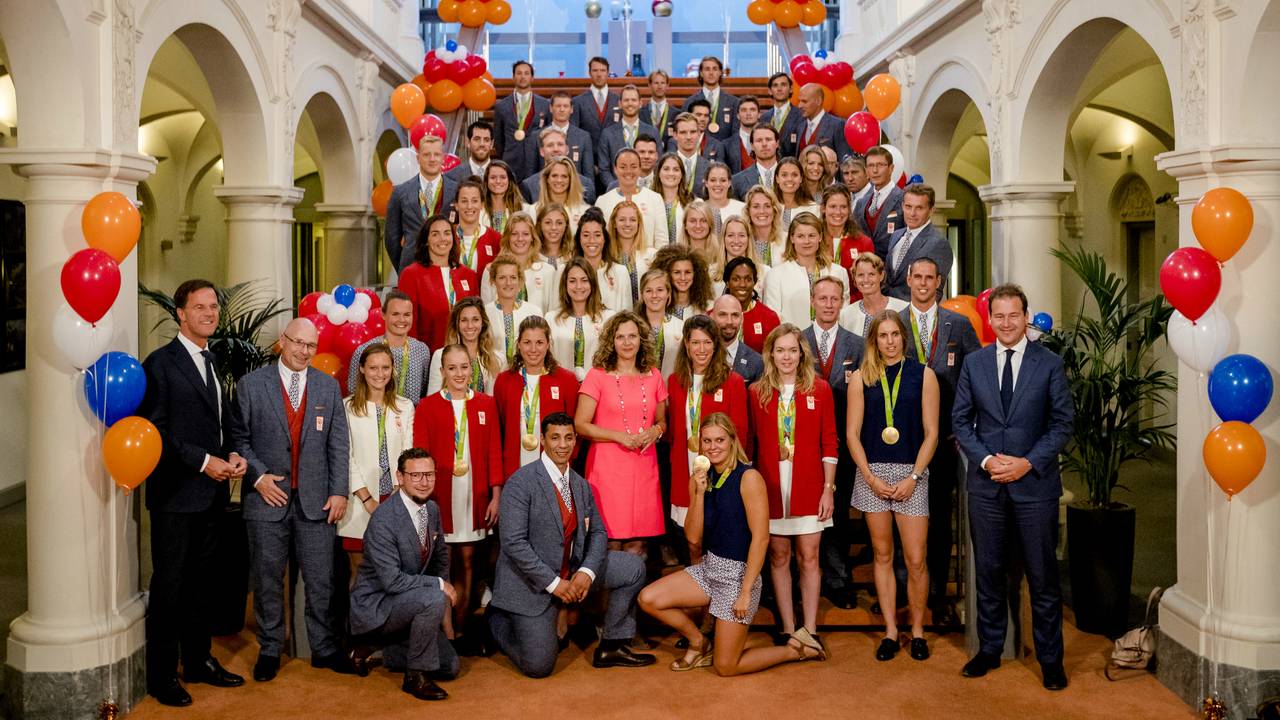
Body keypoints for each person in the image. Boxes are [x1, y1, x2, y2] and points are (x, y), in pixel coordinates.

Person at [952, 284, 1074, 691]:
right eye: (999, 316)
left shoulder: (1050, 364)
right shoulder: (975, 363)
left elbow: (1062, 424)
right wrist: (987, 461)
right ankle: (989, 650)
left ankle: (1051, 660)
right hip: (987, 487)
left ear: (1026, 317)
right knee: (988, 572)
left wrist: (1027, 463)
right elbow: (960, 421)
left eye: (1013, 316)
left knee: (1042, 577)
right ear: (991, 319)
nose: (1006, 323)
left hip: (1035, 486)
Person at [639, 413, 826, 673]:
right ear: (700, 444)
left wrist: (746, 591)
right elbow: (693, 538)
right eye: (707, 441)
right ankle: (698, 641)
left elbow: (761, 539)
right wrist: (699, 494)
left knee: (726, 666)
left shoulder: (748, 478)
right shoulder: (703, 477)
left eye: (720, 440)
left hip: (737, 577)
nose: (713, 446)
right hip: (709, 569)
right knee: (648, 598)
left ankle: (796, 649)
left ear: (732, 441)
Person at [139, 279, 247, 707]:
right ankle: (162, 676)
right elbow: (156, 433)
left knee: (203, 583)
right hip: (176, 495)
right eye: (199, 307)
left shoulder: (214, 358)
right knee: (170, 586)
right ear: (180, 314)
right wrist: (206, 462)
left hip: (213, 494)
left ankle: (199, 661)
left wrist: (234, 451)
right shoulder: (160, 364)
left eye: (214, 307)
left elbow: (223, 421)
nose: (209, 313)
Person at [488, 412, 656, 676]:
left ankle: (613, 644)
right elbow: (513, 544)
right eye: (555, 438)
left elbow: (599, 532)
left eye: (568, 438)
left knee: (633, 567)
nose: (562, 445)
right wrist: (555, 585)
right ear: (542, 440)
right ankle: (497, 618)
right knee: (539, 667)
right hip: (533, 583)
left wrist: (587, 573)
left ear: (576, 440)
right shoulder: (521, 483)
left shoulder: (580, 485)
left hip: (573, 570)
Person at [233, 317, 353, 681]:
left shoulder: (327, 387)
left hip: (316, 501)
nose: (304, 351)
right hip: (266, 500)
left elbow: (337, 442)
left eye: (311, 346)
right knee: (268, 578)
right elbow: (239, 440)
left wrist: (338, 491)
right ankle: (271, 647)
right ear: (282, 342)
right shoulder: (251, 385)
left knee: (321, 579)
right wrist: (257, 477)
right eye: (298, 343)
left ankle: (323, 648)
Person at [847, 311, 939, 661]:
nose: (889, 341)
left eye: (895, 335)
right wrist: (869, 476)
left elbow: (931, 433)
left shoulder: (924, 375)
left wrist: (914, 476)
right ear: (874, 340)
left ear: (904, 337)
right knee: (882, 556)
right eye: (882, 335)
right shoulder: (861, 378)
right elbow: (852, 434)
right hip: (872, 473)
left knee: (916, 560)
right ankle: (890, 630)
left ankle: (917, 630)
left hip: (912, 474)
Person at [899, 257, 982, 624]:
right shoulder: (892, 324)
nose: (922, 283)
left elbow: (976, 376)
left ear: (939, 282)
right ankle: (905, 588)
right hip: (901, 440)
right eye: (916, 277)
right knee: (900, 516)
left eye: (928, 278)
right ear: (908, 280)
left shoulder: (960, 325)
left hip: (945, 438)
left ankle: (936, 593)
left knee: (939, 515)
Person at [748, 323, 837, 658]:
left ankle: (810, 629)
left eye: (793, 350)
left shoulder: (820, 390)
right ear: (771, 353)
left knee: (810, 557)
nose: (787, 356)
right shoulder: (757, 392)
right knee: (779, 556)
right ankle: (788, 628)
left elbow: (830, 441)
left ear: (802, 354)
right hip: (771, 488)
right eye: (780, 350)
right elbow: (750, 444)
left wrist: (828, 490)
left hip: (809, 486)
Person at [347, 447, 458, 700]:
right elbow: (392, 581)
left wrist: (447, 623)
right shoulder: (384, 519)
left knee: (450, 666)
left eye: (429, 475)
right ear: (400, 477)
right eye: (416, 475)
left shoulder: (432, 510)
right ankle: (415, 676)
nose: (424, 482)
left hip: (409, 602)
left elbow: (440, 560)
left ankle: (371, 650)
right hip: (377, 604)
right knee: (433, 597)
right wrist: (439, 585)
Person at [414, 344, 504, 652]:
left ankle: (463, 625)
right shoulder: (426, 406)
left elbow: (494, 451)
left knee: (468, 560)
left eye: (464, 367)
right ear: (441, 372)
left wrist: (496, 495)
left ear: (472, 370)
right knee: (444, 562)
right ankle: (446, 629)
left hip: (474, 496)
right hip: (441, 497)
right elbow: (421, 456)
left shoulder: (485, 404)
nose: (459, 374)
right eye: (452, 368)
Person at [575, 311, 669, 557]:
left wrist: (654, 431)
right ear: (611, 341)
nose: (627, 343)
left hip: (644, 466)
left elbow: (662, 421)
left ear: (641, 340)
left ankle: (632, 596)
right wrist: (618, 436)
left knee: (638, 546)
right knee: (609, 544)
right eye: (620, 337)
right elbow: (581, 425)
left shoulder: (654, 375)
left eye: (632, 336)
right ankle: (606, 596)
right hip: (607, 468)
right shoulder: (597, 376)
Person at [802, 277, 865, 610]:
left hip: (842, 443)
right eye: (822, 298)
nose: (828, 304)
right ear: (812, 300)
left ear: (842, 302)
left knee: (837, 513)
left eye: (834, 299)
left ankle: (838, 580)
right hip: (802, 444)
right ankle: (806, 578)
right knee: (805, 513)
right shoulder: (795, 341)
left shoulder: (857, 344)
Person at [665, 315, 751, 530]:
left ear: (716, 345)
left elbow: (739, 433)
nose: (701, 349)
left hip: (720, 471)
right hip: (684, 466)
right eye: (695, 342)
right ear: (686, 345)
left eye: (707, 342)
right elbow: (673, 431)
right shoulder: (675, 381)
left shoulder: (733, 382)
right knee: (689, 535)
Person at [338, 343, 415, 564]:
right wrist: (367, 499)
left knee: (392, 567)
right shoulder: (347, 407)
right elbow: (346, 457)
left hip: (394, 498)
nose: (380, 374)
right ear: (362, 369)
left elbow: (407, 454)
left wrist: (398, 491)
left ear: (392, 369)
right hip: (359, 499)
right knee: (359, 569)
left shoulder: (405, 406)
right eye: (373, 368)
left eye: (385, 367)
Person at [494, 316, 581, 477]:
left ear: (548, 344)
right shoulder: (504, 381)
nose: (533, 349)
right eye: (527, 342)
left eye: (539, 342)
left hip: (555, 470)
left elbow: (574, 429)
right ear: (519, 344)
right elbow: (499, 430)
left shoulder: (566, 380)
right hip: (514, 468)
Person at [398, 214, 480, 350]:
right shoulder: (411, 275)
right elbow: (408, 325)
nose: (443, 239)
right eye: (435, 234)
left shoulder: (469, 275)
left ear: (453, 239)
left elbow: (477, 319)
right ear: (426, 240)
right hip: (428, 356)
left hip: (465, 358)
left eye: (447, 233)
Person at [385, 134, 460, 273]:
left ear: (443, 158)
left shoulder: (457, 191)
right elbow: (392, 239)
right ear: (418, 158)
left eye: (436, 154)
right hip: (411, 266)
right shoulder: (400, 192)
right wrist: (404, 268)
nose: (432, 159)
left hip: (447, 267)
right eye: (426, 155)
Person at [763, 212, 848, 327]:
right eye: (800, 236)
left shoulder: (838, 272)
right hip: (792, 342)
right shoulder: (776, 275)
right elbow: (773, 318)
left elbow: (843, 315)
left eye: (811, 235)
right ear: (792, 238)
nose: (806, 241)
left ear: (820, 237)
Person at [346, 290, 432, 406]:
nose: (402, 319)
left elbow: (423, 390)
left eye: (407, 314)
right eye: (395, 314)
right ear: (383, 314)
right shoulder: (364, 350)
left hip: (411, 420)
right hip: (373, 420)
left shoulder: (422, 350)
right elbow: (354, 392)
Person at [884, 184, 954, 302]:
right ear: (902, 206)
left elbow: (934, 292)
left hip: (912, 315)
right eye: (908, 206)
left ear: (931, 210)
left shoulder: (938, 243)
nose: (912, 213)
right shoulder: (896, 235)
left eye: (919, 208)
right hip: (889, 311)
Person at [547, 258, 613, 381]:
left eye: (584, 280)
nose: (578, 286)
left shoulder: (608, 318)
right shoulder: (551, 318)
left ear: (592, 283)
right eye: (572, 281)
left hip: (598, 389)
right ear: (565, 284)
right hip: (561, 387)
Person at [595, 147, 670, 250]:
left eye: (633, 166)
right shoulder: (602, 201)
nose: (628, 171)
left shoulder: (655, 199)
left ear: (639, 169)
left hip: (648, 262)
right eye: (623, 167)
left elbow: (662, 242)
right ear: (615, 169)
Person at [480, 211, 557, 311]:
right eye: (514, 234)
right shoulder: (491, 270)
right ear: (507, 238)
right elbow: (486, 313)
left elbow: (552, 313)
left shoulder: (547, 271)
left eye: (525, 234)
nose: (520, 239)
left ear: (532, 238)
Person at [426, 297, 500, 394]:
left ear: (482, 323)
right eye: (464, 320)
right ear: (457, 324)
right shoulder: (440, 356)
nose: (470, 325)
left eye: (475, 319)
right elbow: (433, 399)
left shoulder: (497, 359)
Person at [493, 60, 550, 183]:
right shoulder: (502, 106)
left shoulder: (545, 105)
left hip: (537, 161)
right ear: (513, 77)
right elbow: (498, 138)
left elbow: (548, 133)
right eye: (519, 73)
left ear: (532, 78)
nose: (523, 76)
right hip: (510, 161)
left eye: (526, 73)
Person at [485, 254, 545, 370]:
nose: (508, 283)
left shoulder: (534, 312)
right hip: (493, 378)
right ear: (493, 280)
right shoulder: (485, 313)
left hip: (526, 375)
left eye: (513, 277)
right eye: (502, 278)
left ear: (520, 280)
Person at [597, 85, 660, 189]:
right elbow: (604, 169)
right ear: (620, 104)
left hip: (648, 190)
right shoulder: (607, 134)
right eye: (626, 100)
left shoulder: (653, 132)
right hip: (617, 192)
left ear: (640, 103)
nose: (630, 103)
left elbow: (657, 163)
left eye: (633, 100)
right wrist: (618, 188)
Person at [821, 184, 875, 300]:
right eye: (833, 206)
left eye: (843, 207)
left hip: (852, 307)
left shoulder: (864, 243)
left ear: (849, 209)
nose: (838, 212)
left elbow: (869, 283)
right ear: (823, 208)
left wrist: (848, 305)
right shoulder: (814, 240)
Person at [573, 206, 630, 311]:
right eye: (586, 235)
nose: (591, 240)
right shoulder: (566, 270)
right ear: (579, 238)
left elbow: (627, 314)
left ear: (604, 238)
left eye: (597, 235)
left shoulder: (620, 272)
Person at [839, 252, 909, 338]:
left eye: (871, 274)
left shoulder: (903, 309)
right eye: (860, 275)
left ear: (881, 276)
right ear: (854, 279)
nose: (866, 280)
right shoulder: (846, 315)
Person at [853, 146, 905, 258]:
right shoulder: (861, 203)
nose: (875, 170)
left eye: (880, 165)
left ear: (891, 168)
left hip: (891, 270)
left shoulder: (903, 199)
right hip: (865, 269)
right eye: (871, 166)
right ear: (866, 170)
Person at [523, 133, 596, 210]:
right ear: (542, 151)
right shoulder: (528, 185)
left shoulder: (586, 184)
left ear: (567, 150)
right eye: (550, 145)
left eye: (560, 144)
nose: (556, 149)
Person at [636, 267, 684, 380]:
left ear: (668, 293)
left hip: (670, 391)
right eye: (649, 291)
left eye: (660, 290)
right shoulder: (633, 325)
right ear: (642, 295)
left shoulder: (680, 326)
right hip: (638, 391)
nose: (654, 295)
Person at [723, 256, 779, 354]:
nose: (742, 284)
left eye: (748, 279)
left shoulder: (769, 317)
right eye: (736, 279)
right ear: (727, 283)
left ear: (754, 282)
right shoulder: (713, 316)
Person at [608, 200, 658, 307]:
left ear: (638, 223)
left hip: (644, 317)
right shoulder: (606, 257)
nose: (627, 224)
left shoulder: (651, 256)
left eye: (632, 220)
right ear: (614, 223)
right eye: (622, 220)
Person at [452, 179, 503, 279]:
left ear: (482, 205)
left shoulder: (496, 239)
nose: (469, 206)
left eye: (474, 201)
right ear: (456, 205)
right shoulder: (447, 236)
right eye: (464, 201)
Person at [570, 56, 620, 156]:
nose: (599, 74)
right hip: (587, 157)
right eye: (595, 70)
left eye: (602, 70)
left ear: (608, 72)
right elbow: (574, 134)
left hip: (614, 157)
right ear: (589, 73)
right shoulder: (578, 102)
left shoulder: (618, 100)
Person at [683, 56, 738, 143]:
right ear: (701, 73)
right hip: (698, 151)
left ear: (720, 72)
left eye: (715, 69)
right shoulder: (689, 102)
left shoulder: (734, 102)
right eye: (707, 69)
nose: (711, 73)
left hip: (725, 153)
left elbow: (735, 135)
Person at [652, 244, 716, 319]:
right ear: (667, 274)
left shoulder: (709, 308)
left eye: (687, 272)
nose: (683, 278)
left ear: (696, 274)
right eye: (677, 272)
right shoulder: (657, 308)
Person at [712, 294, 764, 385]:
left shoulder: (757, 362)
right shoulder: (700, 356)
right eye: (723, 315)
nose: (729, 322)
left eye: (735, 315)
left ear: (742, 319)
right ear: (711, 317)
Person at [546, 90, 597, 183]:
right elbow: (531, 174)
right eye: (558, 106)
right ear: (550, 108)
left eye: (565, 106)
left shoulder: (584, 137)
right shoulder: (537, 137)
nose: (562, 109)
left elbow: (589, 175)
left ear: (571, 109)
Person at [795, 83, 851, 161]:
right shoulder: (799, 126)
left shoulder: (837, 125)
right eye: (799, 101)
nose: (799, 105)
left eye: (804, 101)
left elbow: (845, 162)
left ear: (818, 101)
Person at [676, 200, 724, 282]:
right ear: (685, 225)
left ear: (710, 225)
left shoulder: (721, 256)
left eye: (703, 221)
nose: (698, 226)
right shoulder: (675, 256)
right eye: (693, 221)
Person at [760, 72, 804, 159]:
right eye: (775, 85)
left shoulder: (801, 115)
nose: (779, 89)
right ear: (770, 91)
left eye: (783, 85)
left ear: (791, 89)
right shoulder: (764, 117)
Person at [671, 112, 715, 198]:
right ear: (675, 135)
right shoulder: (663, 166)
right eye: (683, 132)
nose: (688, 137)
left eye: (693, 132)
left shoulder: (711, 168)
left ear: (699, 133)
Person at [652, 152, 693, 244]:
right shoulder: (649, 201)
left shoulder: (693, 202)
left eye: (676, 170)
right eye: (666, 169)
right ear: (658, 173)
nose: (671, 173)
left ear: (682, 174)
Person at [732, 125, 782, 200]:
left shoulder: (791, 176)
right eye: (759, 140)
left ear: (777, 143)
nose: (764, 144)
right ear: (752, 146)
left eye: (768, 139)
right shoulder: (737, 180)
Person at [742, 185, 785, 268]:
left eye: (767, 206)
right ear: (748, 211)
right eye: (756, 206)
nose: (762, 211)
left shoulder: (787, 240)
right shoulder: (741, 241)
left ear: (774, 210)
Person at [773, 157, 819, 228]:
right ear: (777, 179)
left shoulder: (814, 209)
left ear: (801, 178)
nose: (790, 179)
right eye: (784, 175)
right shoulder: (769, 207)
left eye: (794, 175)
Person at [445, 119, 495, 184]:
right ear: (468, 142)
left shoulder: (505, 175)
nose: (482, 144)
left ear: (491, 144)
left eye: (486, 140)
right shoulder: (451, 177)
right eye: (477, 139)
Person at [480, 160, 525, 233]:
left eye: (503, 177)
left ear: (509, 181)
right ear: (486, 181)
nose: (498, 181)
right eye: (493, 177)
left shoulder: (523, 209)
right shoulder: (479, 211)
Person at [703, 163, 745, 239]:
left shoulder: (742, 209)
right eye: (713, 180)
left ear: (729, 183)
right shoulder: (698, 209)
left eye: (723, 180)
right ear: (706, 183)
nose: (718, 184)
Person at [721, 95, 760, 175]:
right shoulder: (726, 145)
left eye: (752, 110)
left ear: (759, 114)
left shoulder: (769, 141)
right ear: (738, 115)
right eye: (744, 110)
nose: (748, 113)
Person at [640, 69, 674, 144]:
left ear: (667, 85)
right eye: (656, 83)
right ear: (649, 85)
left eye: (662, 83)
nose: (659, 86)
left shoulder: (676, 114)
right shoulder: (640, 113)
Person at [536, 203, 574, 269]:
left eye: (559, 223)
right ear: (540, 225)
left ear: (566, 225)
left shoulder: (574, 255)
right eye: (548, 222)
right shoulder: (531, 254)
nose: (554, 227)